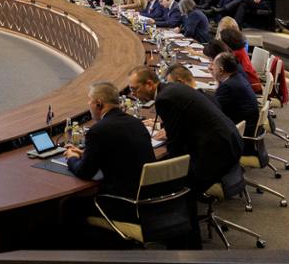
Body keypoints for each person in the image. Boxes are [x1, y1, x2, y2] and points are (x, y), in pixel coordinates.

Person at [127, 67, 240, 249]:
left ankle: (187, 247)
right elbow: (185, 120)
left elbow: (175, 143)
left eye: (135, 89)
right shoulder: (171, 90)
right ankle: (184, 242)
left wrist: (167, 169)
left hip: (219, 150)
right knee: (184, 190)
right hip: (227, 141)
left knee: (182, 191)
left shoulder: (164, 99)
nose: (133, 95)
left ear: (149, 84)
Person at [63, 82, 156, 203]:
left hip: (125, 202)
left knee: (70, 204)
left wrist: (72, 158)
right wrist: (86, 154)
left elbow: (85, 172)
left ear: (99, 104)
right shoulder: (136, 123)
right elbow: (121, 154)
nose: (88, 103)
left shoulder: (97, 131)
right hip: (151, 197)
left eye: (90, 100)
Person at [210, 53, 259, 135]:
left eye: (213, 65)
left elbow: (213, 109)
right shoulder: (238, 77)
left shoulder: (227, 87)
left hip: (239, 131)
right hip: (247, 125)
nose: (211, 68)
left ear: (221, 70)